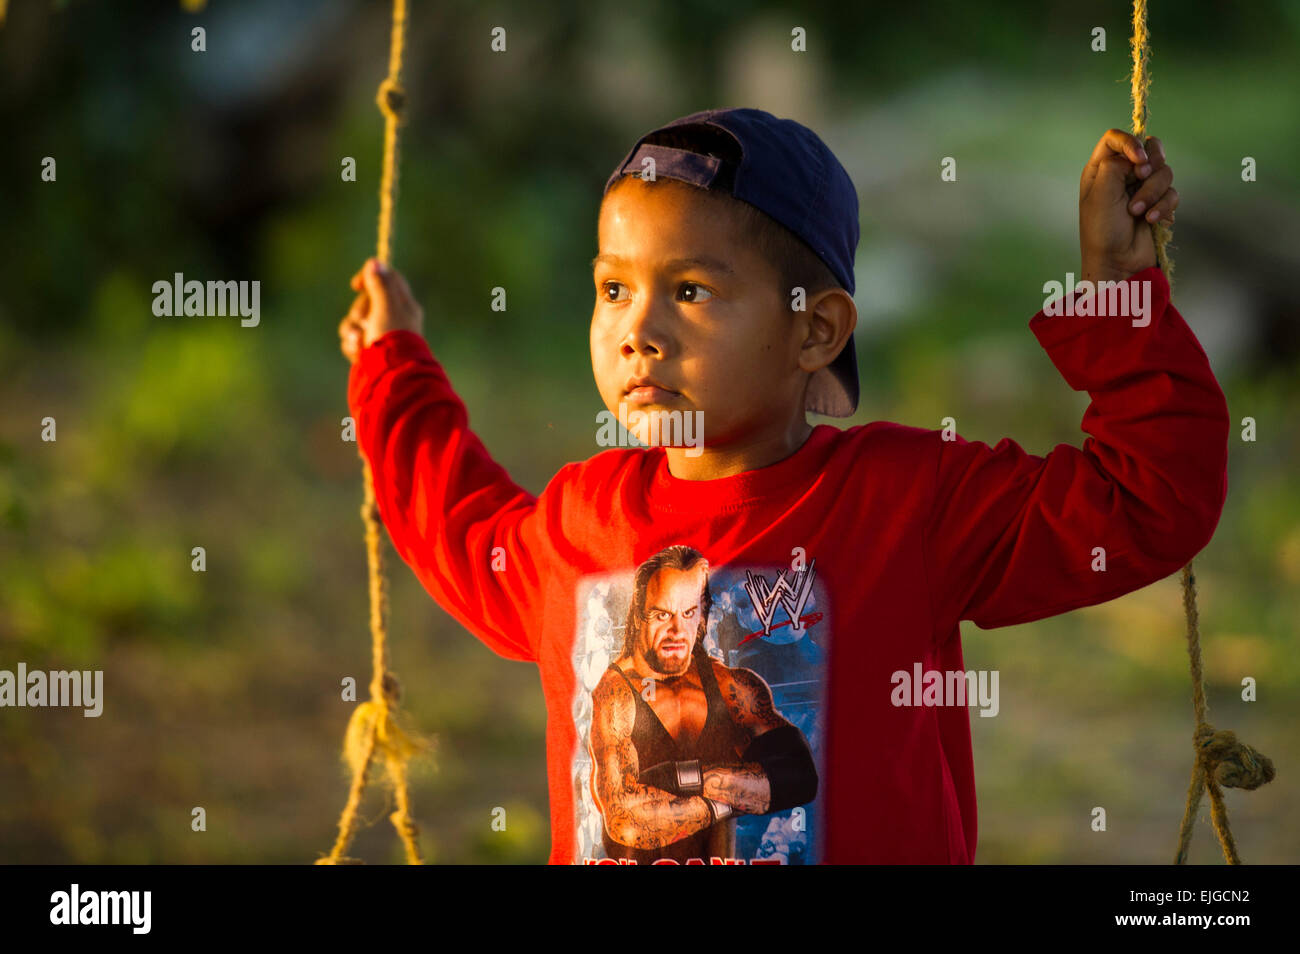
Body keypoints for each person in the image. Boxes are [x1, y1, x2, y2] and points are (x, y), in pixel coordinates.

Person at [337, 107, 1220, 864]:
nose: (637, 330)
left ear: (817, 330)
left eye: (688, 290)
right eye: (613, 288)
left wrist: (1118, 294)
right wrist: (393, 368)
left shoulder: (910, 504)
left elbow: (1146, 501)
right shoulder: (584, 522)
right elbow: (460, 524)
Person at [586, 544, 817, 864]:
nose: (676, 631)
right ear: (639, 615)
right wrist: (737, 797)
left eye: (689, 613)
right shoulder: (616, 693)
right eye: (662, 614)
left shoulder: (731, 685)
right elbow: (626, 819)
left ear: (703, 614)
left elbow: (798, 776)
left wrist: (684, 779)